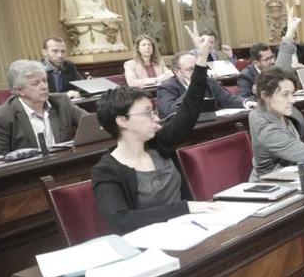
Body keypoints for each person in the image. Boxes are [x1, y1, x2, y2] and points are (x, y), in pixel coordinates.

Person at [91, 23, 222, 234]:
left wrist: (201, 58)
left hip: (191, 231)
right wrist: (185, 207)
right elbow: (122, 221)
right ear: (122, 121)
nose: (156, 119)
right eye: (147, 113)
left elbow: (190, 107)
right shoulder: (106, 170)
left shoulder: (160, 142)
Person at [0, 59, 88, 155]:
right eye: (36, 83)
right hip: (29, 170)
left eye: (44, 81)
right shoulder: (2, 117)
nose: (44, 86)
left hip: (65, 163)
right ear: (19, 91)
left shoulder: (62, 102)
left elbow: (93, 124)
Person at [156, 50, 253, 119]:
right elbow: (169, 113)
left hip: (211, 126)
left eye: (198, 68)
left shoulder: (208, 81)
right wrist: (192, 89)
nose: (196, 72)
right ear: (177, 72)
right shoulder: (166, 87)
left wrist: (247, 102)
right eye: (190, 69)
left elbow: (227, 99)